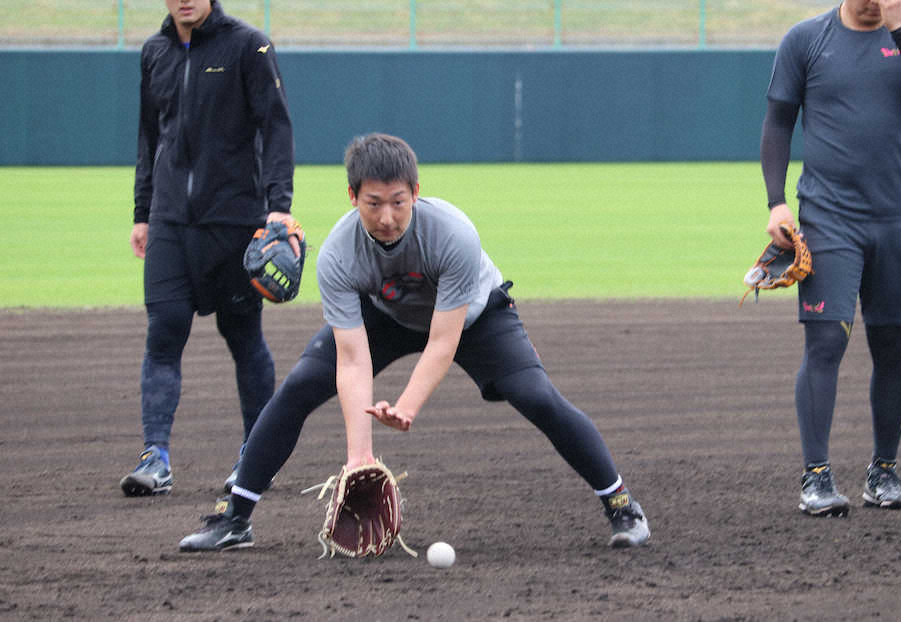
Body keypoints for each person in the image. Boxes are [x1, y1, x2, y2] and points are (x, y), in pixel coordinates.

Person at [178, 133, 650, 551]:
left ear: (416, 193)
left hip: (474, 316)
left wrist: (406, 406)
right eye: (373, 203)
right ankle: (234, 518)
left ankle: (622, 506)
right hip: (386, 316)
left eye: (398, 202)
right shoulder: (338, 255)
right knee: (300, 385)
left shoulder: (453, 234)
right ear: (352, 197)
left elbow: (443, 341)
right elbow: (352, 360)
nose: (387, 217)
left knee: (535, 395)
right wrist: (359, 457)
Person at [760, 0, 901, 516]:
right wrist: (777, 203)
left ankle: (883, 472)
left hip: (898, 219)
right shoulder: (807, 39)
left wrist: (899, 30)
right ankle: (816, 478)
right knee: (826, 341)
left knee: (893, 346)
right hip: (829, 219)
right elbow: (778, 121)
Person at [121, 0, 296, 497]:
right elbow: (149, 136)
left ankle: (255, 458)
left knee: (243, 336)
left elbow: (276, 126)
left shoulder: (249, 45)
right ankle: (155, 458)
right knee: (164, 331)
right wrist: (142, 212)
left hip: (235, 222)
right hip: (171, 220)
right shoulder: (154, 53)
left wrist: (278, 208)